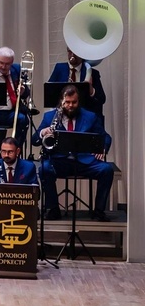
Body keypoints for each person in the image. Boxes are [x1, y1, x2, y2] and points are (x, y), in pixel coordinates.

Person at [34, 85, 114, 222]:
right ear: (61, 101)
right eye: (67, 102)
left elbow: (105, 137)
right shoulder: (49, 117)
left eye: (74, 102)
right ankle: (53, 209)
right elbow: (34, 140)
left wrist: (102, 148)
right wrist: (43, 132)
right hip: (59, 161)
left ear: (78, 101)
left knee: (107, 170)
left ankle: (99, 211)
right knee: (44, 169)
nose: (70, 106)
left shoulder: (90, 116)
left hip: (84, 161)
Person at [0, 137, 38, 231]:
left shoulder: (29, 167)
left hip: (22, 209)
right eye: (3, 151)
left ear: (17, 151)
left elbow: (36, 194)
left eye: (10, 152)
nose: (6, 155)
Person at [47, 48, 106, 121]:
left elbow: (102, 99)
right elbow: (48, 92)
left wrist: (91, 91)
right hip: (63, 117)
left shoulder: (93, 73)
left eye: (75, 52)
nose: (72, 55)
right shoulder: (59, 68)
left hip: (84, 118)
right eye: (70, 52)